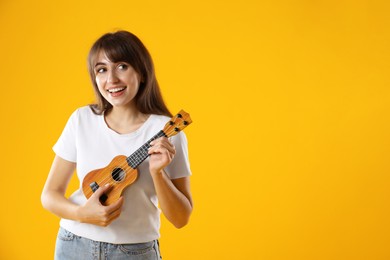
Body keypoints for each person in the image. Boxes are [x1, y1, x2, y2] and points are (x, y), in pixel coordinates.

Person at [41, 30, 193, 260]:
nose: (111, 79)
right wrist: (82, 214)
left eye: (122, 66)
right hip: (73, 244)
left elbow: (181, 219)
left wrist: (157, 173)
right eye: (102, 69)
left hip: (134, 252)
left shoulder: (165, 132)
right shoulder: (82, 119)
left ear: (142, 73)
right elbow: (50, 195)